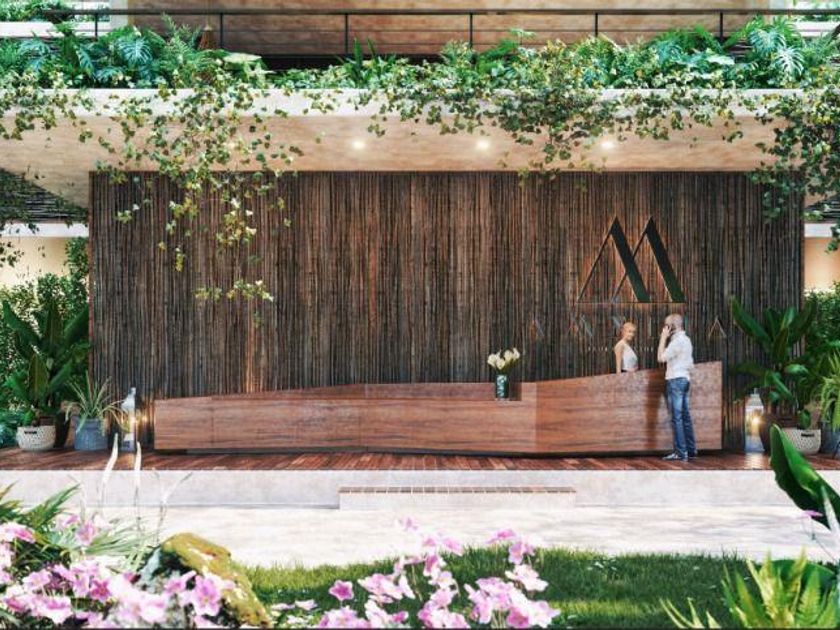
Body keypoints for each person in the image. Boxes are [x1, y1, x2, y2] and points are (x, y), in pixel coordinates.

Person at [657, 313, 696, 462]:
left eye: (666, 325)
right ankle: (691, 450)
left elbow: (660, 358)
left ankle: (680, 452)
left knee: (677, 418)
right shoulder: (687, 340)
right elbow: (690, 364)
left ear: (671, 326)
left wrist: (663, 338)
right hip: (685, 379)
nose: (665, 328)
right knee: (685, 417)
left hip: (675, 381)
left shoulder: (676, 342)